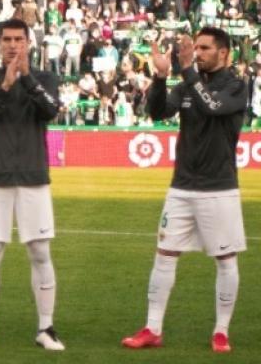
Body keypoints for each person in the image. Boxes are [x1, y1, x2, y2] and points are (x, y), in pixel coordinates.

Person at [122, 28, 247, 353]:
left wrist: (188, 69)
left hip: (219, 188)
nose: (199, 53)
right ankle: (153, 327)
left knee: (224, 259)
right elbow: (157, 112)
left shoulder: (235, 86)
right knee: (164, 255)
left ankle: (221, 331)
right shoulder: (187, 84)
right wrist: (162, 78)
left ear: (223, 53)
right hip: (181, 187)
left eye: (205, 48)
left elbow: (213, 108)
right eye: (197, 48)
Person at [0, 18, 64, 351]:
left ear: (28, 43)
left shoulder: (46, 78)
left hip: (34, 176)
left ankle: (46, 328)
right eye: (6, 39)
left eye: (18, 40)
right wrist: (5, 87)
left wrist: (27, 80)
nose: (12, 45)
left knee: (39, 250)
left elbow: (50, 111)